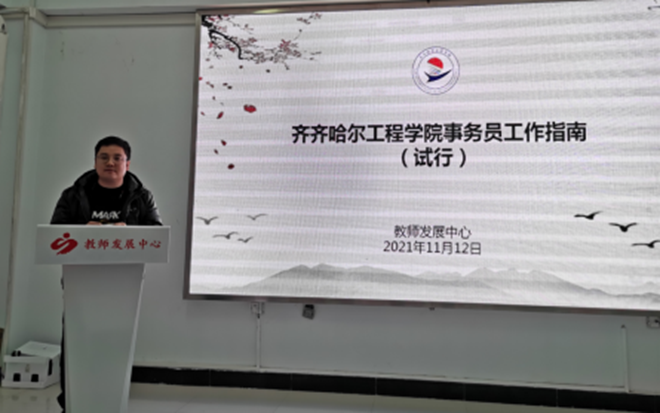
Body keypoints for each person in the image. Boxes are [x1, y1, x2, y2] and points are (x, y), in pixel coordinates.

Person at [50, 136, 162, 412]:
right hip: (80, 285)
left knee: (113, 345)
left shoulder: (142, 197)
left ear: (127, 164)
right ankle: (72, 403)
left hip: (124, 286)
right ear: (95, 161)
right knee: (77, 344)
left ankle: (109, 402)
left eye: (117, 158)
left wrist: (129, 231)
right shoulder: (73, 195)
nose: (110, 162)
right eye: (104, 157)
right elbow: (54, 233)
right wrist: (82, 231)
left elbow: (156, 235)